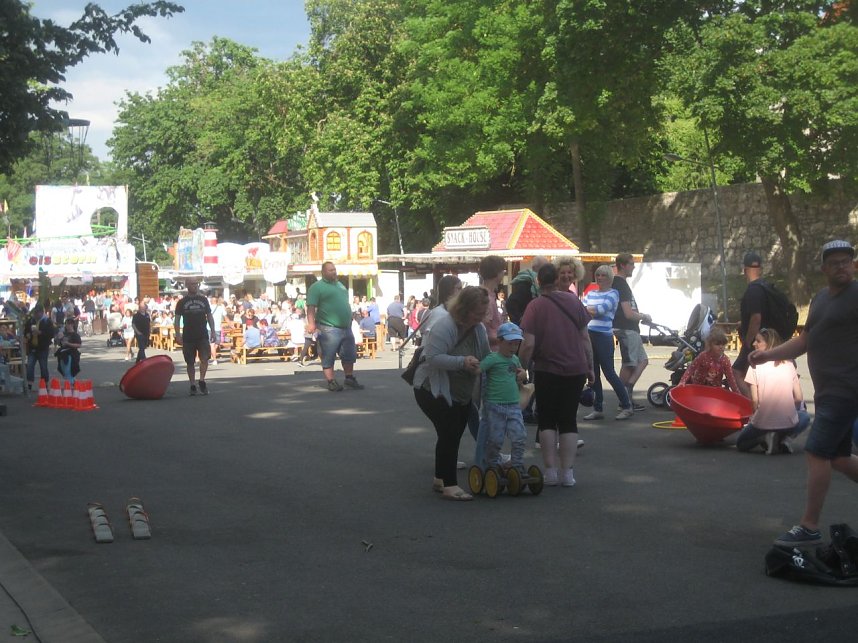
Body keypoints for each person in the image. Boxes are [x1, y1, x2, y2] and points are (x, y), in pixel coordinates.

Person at [749, 240, 858, 547]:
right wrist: (767, 355)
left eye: (847, 261)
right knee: (838, 458)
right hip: (827, 390)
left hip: (846, 389)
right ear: (823, 269)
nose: (842, 267)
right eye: (835, 263)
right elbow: (803, 341)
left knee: (816, 451)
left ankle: (809, 526)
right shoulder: (820, 299)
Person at [519, 263, 594, 487]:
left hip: (546, 369)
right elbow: (585, 338)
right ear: (556, 280)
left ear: (538, 281)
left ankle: (550, 471)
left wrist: (522, 367)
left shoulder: (535, 306)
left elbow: (528, 344)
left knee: (547, 420)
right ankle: (567, 473)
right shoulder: (574, 301)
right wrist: (590, 366)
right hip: (575, 368)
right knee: (568, 419)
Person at [412, 286, 490, 501]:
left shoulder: (478, 328)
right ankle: (450, 485)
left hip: (461, 392)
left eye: (483, 313)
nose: (481, 317)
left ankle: (440, 478)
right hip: (432, 388)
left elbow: (486, 355)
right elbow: (433, 357)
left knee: (452, 433)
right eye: (477, 313)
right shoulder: (445, 325)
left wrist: (504, 365)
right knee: (449, 432)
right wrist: (462, 362)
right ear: (464, 309)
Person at [737, 328, 810, 455]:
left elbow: (755, 401)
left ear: (769, 344)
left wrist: (754, 417)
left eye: (758, 341)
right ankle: (785, 439)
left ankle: (765, 437)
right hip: (787, 421)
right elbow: (799, 398)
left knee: (742, 443)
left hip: (763, 422)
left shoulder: (754, 366)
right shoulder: (789, 364)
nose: (754, 344)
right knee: (804, 417)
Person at [582, 264, 633, 420]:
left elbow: (600, 310)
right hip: (589, 334)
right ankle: (598, 408)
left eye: (603, 275)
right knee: (593, 373)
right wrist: (589, 310)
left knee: (609, 373)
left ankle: (626, 406)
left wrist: (587, 309)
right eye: (598, 275)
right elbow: (583, 309)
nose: (600, 278)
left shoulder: (613, 293)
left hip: (604, 336)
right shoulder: (591, 293)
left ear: (610, 277)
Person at [478, 322, 528, 474]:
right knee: (495, 439)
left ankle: (517, 464)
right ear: (499, 342)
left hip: (513, 405)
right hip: (495, 405)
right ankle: (492, 465)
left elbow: (520, 373)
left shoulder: (515, 359)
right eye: (510, 343)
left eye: (516, 344)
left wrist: (523, 374)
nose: (513, 347)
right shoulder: (492, 359)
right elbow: (478, 369)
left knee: (519, 436)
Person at [306, 261, 364, 391]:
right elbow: (311, 307)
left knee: (349, 354)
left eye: (334, 269)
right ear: (323, 272)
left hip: (346, 327)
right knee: (328, 355)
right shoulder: (316, 287)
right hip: (328, 327)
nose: (334, 272)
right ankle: (331, 381)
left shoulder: (340, 285)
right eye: (330, 270)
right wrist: (311, 323)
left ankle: (349, 378)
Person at [733, 251, 779, 396]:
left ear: (745, 270)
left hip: (756, 340)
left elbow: (756, 318)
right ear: (760, 269)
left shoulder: (753, 290)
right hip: (770, 338)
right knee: (756, 373)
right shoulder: (766, 287)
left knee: (737, 372)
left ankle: (753, 405)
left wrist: (748, 341)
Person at [612, 253, 652, 412]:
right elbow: (628, 313)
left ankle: (627, 393)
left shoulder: (620, 283)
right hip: (626, 328)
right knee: (629, 364)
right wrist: (643, 316)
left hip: (630, 329)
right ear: (623, 265)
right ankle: (623, 400)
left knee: (643, 361)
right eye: (631, 264)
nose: (634, 267)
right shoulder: (620, 284)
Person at [174, 278, 217, 396]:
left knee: (205, 359)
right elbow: (177, 319)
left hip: (202, 334)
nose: (195, 286)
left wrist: (213, 331)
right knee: (190, 362)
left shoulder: (203, 300)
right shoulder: (182, 302)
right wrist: (178, 334)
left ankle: (202, 380)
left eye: (196, 284)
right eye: (192, 284)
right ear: (187, 285)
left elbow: (209, 316)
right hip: (188, 335)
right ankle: (192, 384)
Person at [676, 327, 740, 392]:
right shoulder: (703, 356)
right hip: (698, 387)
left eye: (723, 344)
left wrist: (737, 393)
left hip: (714, 390)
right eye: (717, 344)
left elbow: (730, 378)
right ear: (710, 345)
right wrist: (682, 381)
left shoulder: (725, 360)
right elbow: (691, 368)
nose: (721, 347)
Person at [506, 256, 549, 324]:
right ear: (535, 268)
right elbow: (511, 303)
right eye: (544, 268)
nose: (547, 271)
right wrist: (521, 320)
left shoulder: (534, 282)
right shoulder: (526, 283)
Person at [24, 304, 54, 390]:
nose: (36, 315)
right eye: (35, 313)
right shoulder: (31, 321)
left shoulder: (47, 321)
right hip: (32, 347)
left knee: (43, 366)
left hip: (43, 348)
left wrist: (40, 332)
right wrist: (27, 335)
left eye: (37, 313)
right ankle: (29, 383)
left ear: (42, 312)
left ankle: (45, 383)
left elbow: (51, 334)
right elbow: (26, 331)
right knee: (30, 365)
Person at [55, 318, 82, 383]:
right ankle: (74, 383)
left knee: (68, 372)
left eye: (68, 324)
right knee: (64, 372)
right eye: (66, 324)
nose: (67, 325)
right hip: (62, 355)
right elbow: (59, 344)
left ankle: (70, 385)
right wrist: (58, 339)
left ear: (72, 324)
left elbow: (79, 345)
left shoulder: (75, 335)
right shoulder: (64, 334)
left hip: (71, 355)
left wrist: (68, 344)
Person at [209, 295, 227, 365]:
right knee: (215, 343)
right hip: (217, 328)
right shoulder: (221, 308)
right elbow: (225, 317)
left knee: (213, 344)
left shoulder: (208, 307)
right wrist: (230, 324)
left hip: (210, 328)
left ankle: (213, 356)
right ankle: (214, 358)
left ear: (211, 301)